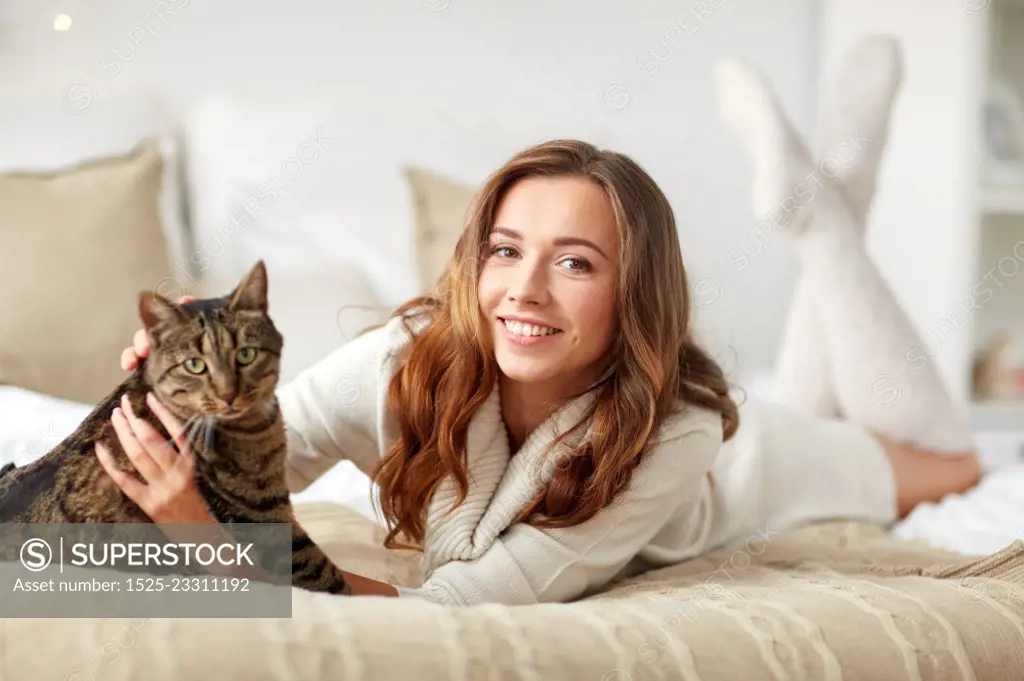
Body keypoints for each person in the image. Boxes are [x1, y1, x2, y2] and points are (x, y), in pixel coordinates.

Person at [104, 37, 982, 605]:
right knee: (830, 375)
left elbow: (455, 609)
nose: (523, 290)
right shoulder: (401, 363)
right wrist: (168, 398)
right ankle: (837, 203)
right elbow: (250, 457)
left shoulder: (680, 431)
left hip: (763, 468)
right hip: (751, 421)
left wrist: (212, 551)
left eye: (574, 262)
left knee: (955, 459)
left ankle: (824, 223)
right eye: (504, 250)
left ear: (633, 292)